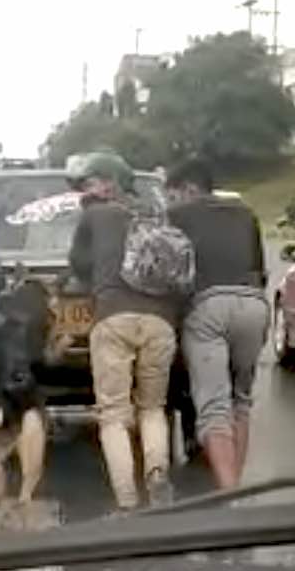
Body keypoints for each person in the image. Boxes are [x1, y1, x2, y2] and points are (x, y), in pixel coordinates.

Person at [68, 152, 178, 513]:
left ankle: (128, 501)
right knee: (152, 408)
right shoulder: (153, 215)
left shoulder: (95, 215)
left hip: (113, 318)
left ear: (108, 183)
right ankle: (157, 474)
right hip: (160, 321)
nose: (85, 190)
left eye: (90, 182)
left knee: (114, 413)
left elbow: (78, 265)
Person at [166, 157, 269, 489]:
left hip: (208, 306)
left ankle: (227, 493)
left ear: (189, 189)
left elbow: (171, 275)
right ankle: (235, 484)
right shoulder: (246, 213)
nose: (171, 202)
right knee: (241, 400)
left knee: (212, 405)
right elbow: (261, 270)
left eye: (173, 194)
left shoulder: (176, 217)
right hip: (254, 305)